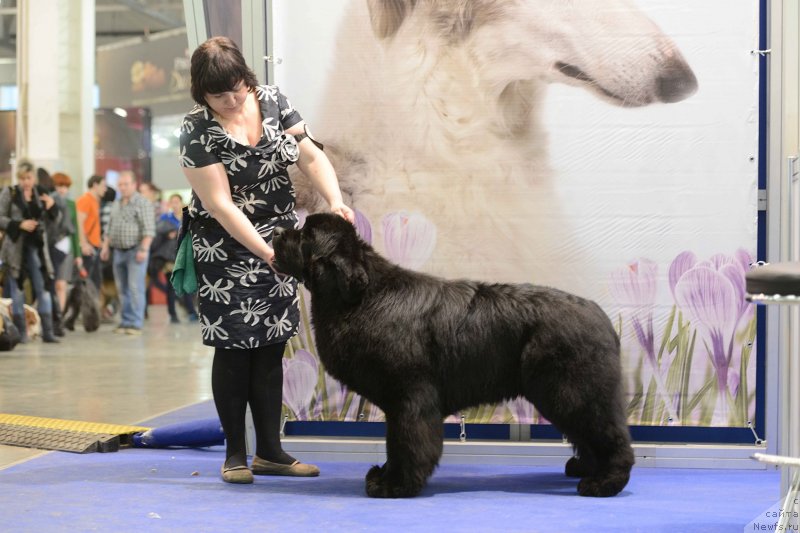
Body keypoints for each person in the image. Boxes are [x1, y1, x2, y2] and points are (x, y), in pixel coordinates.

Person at [179, 36, 354, 484]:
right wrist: (267, 253)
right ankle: (235, 453)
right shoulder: (195, 129)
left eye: (237, 87)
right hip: (225, 247)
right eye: (219, 95)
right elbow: (220, 205)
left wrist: (335, 201)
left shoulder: (274, 101)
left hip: (280, 239)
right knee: (234, 348)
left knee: (273, 346)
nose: (233, 99)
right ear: (202, 93)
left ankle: (271, 451)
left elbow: (310, 154)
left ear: (246, 78)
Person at [0, 159, 61, 343]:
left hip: (38, 250)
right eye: (23, 178)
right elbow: (0, 217)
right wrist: (20, 224)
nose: (26, 182)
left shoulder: (41, 194)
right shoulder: (9, 193)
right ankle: (21, 333)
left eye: (29, 177)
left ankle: (48, 331)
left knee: (43, 289)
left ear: (34, 177)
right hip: (16, 249)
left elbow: (54, 222)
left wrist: (52, 208)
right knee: (17, 291)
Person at [100, 170, 154, 335]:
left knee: (135, 288)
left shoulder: (142, 203)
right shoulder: (117, 203)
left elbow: (149, 230)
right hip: (118, 252)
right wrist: (105, 247)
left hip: (135, 251)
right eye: (120, 185)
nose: (122, 188)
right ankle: (125, 321)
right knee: (121, 289)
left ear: (134, 185)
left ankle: (135, 323)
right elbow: (110, 228)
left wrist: (144, 249)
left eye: (125, 184)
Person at [150, 193, 198, 323]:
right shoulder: (165, 218)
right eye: (172, 202)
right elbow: (157, 232)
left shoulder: (187, 216)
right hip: (169, 258)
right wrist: (168, 233)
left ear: (182, 203)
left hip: (185, 257)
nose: (175, 205)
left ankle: (191, 312)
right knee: (172, 287)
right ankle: (173, 314)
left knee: (187, 282)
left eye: (177, 202)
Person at [52, 172, 83, 312]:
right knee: (52, 284)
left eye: (65, 186)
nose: (62, 189)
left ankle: (59, 317)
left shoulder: (71, 204)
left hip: (67, 249)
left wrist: (78, 254)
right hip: (51, 247)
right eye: (59, 185)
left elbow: (74, 230)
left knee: (62, 284)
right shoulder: (49, 202)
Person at [76, 175, 107, 293]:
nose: (105, 189)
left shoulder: (94, 201)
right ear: (95, 185)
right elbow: (79, 222)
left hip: (94, 247)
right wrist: (83, 244)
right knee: (88, 283)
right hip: (88, 249)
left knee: (95, 283)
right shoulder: (85, 200)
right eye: (103, 186)